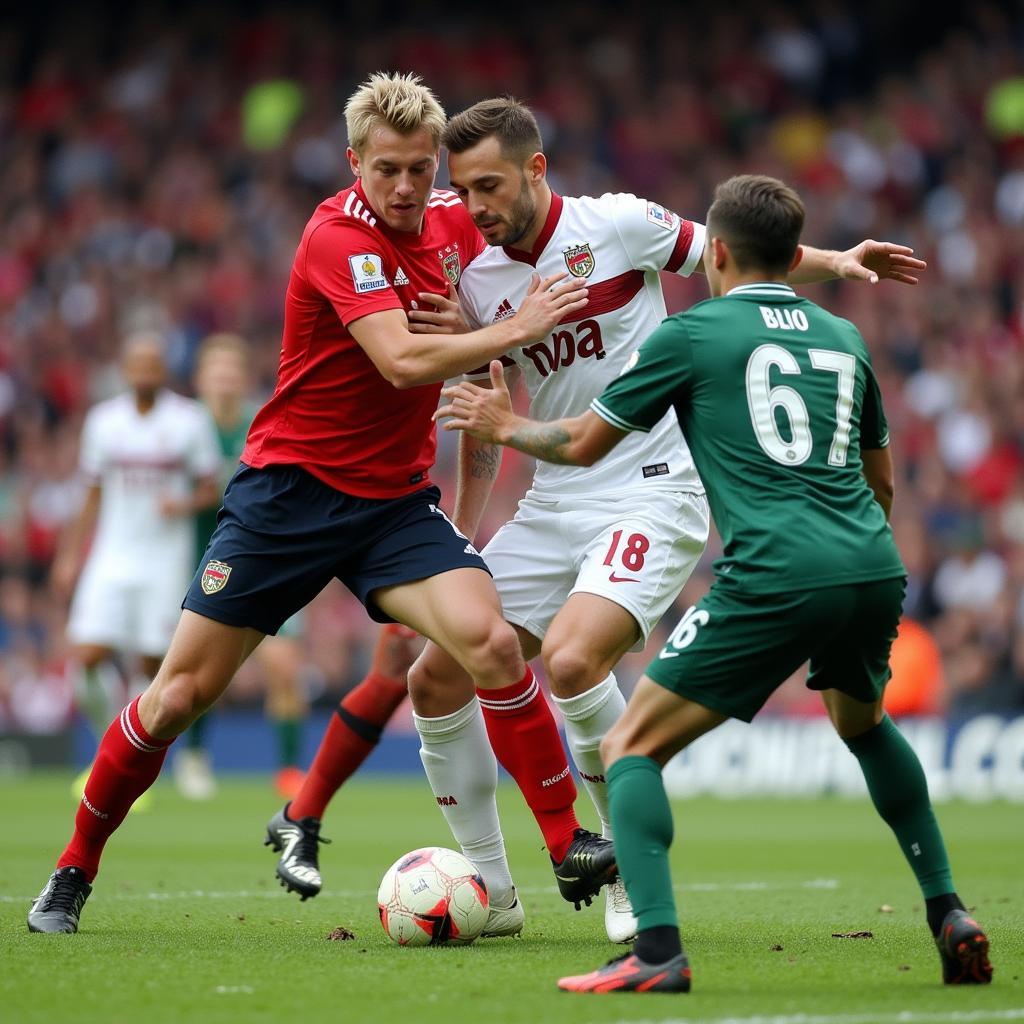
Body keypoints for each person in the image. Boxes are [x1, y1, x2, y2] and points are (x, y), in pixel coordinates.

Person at [269, 97, 928, 946]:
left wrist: (838, 260)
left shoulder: (617, 226)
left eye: (491, 187)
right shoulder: (473, 276)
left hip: (653, 486)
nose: (475, 209)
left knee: (577, 657)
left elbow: (736, 255)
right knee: (437, 677)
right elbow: (486, 404)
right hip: (553, 496)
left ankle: (621, 875)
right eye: (464, 191)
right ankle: (495, 893)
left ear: (537, 170)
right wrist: (466, 527)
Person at [27, 72, 609, 936]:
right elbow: (404, 363)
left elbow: (518, 284)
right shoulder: (337, 237)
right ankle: (73, 870)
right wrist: (518, 328)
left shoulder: (455, 226)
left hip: (393, 506)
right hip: (286, 500)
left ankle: (567, 846)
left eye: (420, 169)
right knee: (178, 694)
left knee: (488, 639)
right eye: (387, 171)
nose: (407, 188)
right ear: (354, 164)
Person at [436, 174, 992, 992]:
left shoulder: (692, 335)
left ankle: (655, 953)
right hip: (872, 563)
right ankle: (949, 910)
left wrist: (504, 424)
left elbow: (585, 442)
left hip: (775, 570)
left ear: (718, 251)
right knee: (865, 726)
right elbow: (883, 481)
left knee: (628, 748)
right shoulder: (844, 337)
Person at [51, 332, 221, 798]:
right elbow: (92, 493)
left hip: (164, 560)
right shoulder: (104, 422)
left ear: (163, 370)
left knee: (152, 663)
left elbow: (213, 487)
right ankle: (114, 750)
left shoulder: (188, 420)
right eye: (138, 365)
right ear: (126, 370)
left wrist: (183, 505)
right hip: (112, 556)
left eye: (153, 364)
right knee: (86, 657)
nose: (145, 372)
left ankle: (135, 760)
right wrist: (70, 555)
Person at [175, 333, 313, 801]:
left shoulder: (265, 419)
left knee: (285, 669)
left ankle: (290, 769)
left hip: (268, 558)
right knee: (201, 668)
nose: (225, 379)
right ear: (201, 379)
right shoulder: (182, 428)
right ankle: (194, 757)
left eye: (232, 370)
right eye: (216, 371)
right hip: (193, 560)